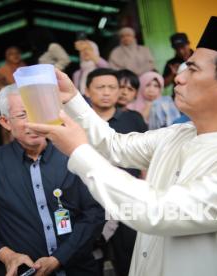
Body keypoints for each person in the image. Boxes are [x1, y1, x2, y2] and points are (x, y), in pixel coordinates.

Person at [26, 16, 217, 275]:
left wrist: (79, 151)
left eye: (193, 69)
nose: (178, 77)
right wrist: (72, 98)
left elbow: (158, 211)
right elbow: (114, 145)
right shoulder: (177, 134)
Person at [0, 84, 105, 276]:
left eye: (37, 113)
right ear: (5, 121)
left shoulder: (73, 155)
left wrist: (58, 259)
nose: (33, 123)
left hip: (78, 268)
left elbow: (95, 213)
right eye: (22, 115)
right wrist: (7, 256)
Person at [84, 68, 147, 276]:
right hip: (90, 201)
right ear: (87, 90)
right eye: (100, 87)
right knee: (90, 261)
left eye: (112, 87)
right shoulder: (80, 122)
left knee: (129, 260)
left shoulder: (133, 119)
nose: (106, 92)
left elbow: (147, 159)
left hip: (128, 202)